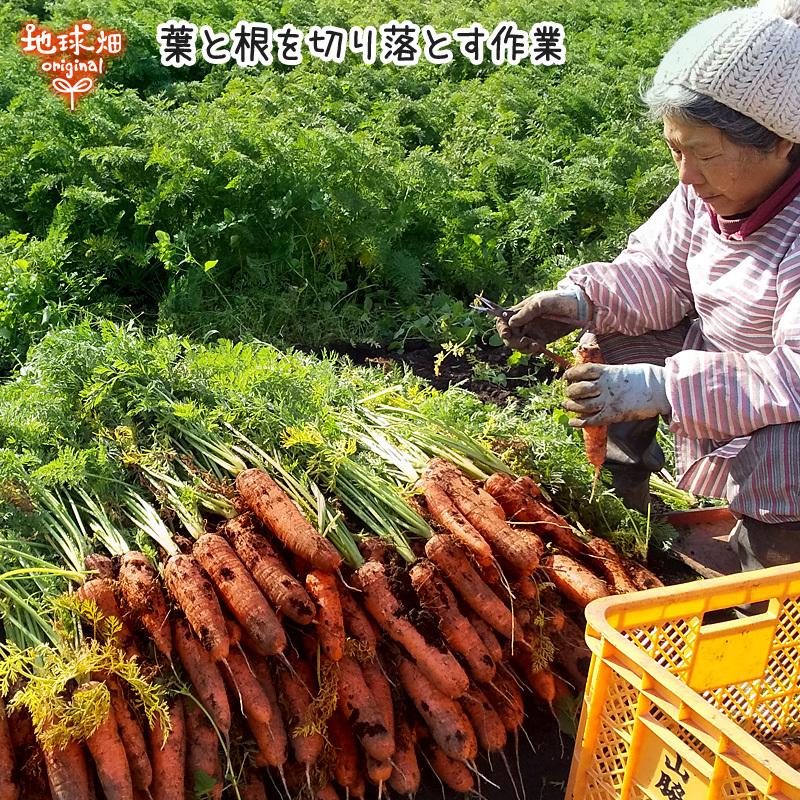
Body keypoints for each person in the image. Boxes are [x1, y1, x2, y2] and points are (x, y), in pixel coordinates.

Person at [498, 0, 800, 573]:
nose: (686, 176)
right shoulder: (704, 192)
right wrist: (582, 301)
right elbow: (658, 273)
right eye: (675, 149)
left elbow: (794, 373)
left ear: (782, 142)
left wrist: (665, 387)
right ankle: (621, 527)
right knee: (619, 335)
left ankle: (768, 579)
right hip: (731, 372)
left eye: (703, 154)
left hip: (788, 396)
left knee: (787, 445)